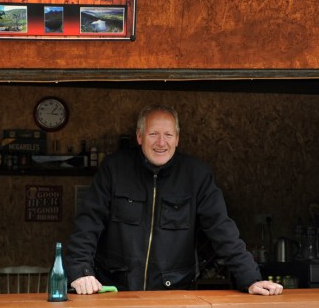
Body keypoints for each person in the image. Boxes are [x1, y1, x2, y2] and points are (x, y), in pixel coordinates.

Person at [64, 104, 283, 296]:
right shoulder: (114, 169)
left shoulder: (196, 175)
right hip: (116, 291)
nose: (161, 142)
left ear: (177, 139)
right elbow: (88, 223)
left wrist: (250, 279)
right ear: (139, 136)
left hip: (174, 293)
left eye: (168, 135)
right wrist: (81, 272)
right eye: (153, 134)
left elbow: (221, 228)